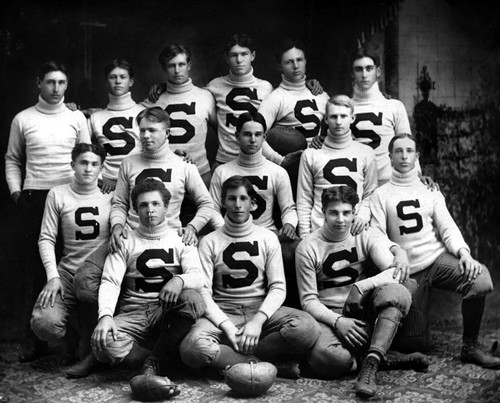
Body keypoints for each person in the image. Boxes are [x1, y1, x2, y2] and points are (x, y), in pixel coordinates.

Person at [370, 133, 500, 369]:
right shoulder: (380, 194)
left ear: (417, 156)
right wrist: (394, 260)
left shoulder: (429, 190)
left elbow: (447, 226)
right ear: (389, 157)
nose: (404, 156)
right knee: (416, 345)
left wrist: (464, 253)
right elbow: (376, 235)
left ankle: (470, 346)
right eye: (398, 151)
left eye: (409, 151)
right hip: (409, 272)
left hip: (436, 261)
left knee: (480, 279)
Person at [180, 176, 320, 377]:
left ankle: (232, 360)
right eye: (231, 199)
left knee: (308, 329)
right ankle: (272, 366)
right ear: (222, 203)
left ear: (253, 204)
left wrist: (257, 322)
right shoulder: (209, 241)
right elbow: (203, 292)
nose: (237, 205)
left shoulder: (267, 237)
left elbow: (278, 287)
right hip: (223, 309)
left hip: (258, 307)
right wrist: (227, 326)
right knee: (191, 349)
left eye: (243, 199)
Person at [295, 186, 426, 398]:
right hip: (328, 314)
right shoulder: (308, 247)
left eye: (347, 213)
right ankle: (386, 357)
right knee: (331, 359)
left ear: (354, 212)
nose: (341, 219)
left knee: (398, 292)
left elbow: (394, 272)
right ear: (322, 212)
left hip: (361, 307)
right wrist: (338, 321)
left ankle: (371, 365)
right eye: (334, 213)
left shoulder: (363, 233)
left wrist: (360, 287)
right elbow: (308, 300)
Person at [5, 60, 90, 361]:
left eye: (62, 83)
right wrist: (17, 192)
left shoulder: (76, 117)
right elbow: (13, 159)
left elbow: (86, 155)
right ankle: (36, 341)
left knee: (69, 266)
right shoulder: (23, 118)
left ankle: (74, 343)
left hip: (69, 196)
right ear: (39, 83)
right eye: (50, 82)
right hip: (34, 197)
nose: (56, 89)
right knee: (35, 269)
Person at [91, 179, 206, 399]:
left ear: (166, 207)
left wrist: (179, 280)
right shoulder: (125, 240)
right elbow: (111, 281)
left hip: (167, 312)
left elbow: (198, 276)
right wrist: (105, 316)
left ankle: (154, 361)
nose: (150, 210)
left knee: (192, 298)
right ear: (135, 209)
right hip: (133, 312)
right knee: (103, 343)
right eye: (143, 205)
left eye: (155, 204)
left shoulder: (181, 238)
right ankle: (162, 358)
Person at [30, 144, 111, 378]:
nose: (88, 169)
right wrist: (53, 276)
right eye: (83, 163)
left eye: (94, 164)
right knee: (45, 324)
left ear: (101, 168)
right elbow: (46, 238)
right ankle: (74, 336)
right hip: (67, 271)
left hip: (99, 274)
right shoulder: (58, 193)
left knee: (93, 351)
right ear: (72, 164)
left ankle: (84, 340)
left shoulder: (111, 194)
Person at [210, 112, 300, 306]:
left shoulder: (277, 172)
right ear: (236, 136)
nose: (252, 139)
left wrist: (289, 225)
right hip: (230, 233)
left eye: (257, 135)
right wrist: (224, 230)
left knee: (293, 251)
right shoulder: (223, 171)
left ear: (264, 137)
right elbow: (212, 209)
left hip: (268, 233)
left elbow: (288, 208)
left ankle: (287, 307)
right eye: (247, 134)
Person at [109, 106, 213, 252]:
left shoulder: (183, 165)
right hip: (130, 237)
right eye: (142, 130)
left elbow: (207, 204)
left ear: (167, 133)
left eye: (152, 130)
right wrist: (117, 226)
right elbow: (119, 204)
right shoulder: (128, 163)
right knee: (88, 274)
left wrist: (192, 227)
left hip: (170, 238)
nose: (145, 135)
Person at [297, 95, 377, 239]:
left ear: (352, 118)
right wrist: (304, 235)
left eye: (343, 116)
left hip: (354, 229)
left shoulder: (366, 153)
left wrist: (363, 215)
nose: (338, 122)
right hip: (319, 229)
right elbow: (304, 199)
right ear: (326, 119)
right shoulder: (311, 154)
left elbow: (370, 193)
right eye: (333, 116)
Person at [258, 39, 329, 195]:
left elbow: (338, 127)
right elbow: (255, 134)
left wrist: (324, 139)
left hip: (321, 167)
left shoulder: (321, 95)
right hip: (293, 173)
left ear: (305, 61)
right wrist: (280, 160)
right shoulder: (275, 98)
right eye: (289, 62)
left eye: (299, 60)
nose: (296, 66)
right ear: (280, 67)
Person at [142, 44, 216, 188]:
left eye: (181, 64)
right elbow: (128, 111)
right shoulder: (155, 99)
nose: (177, 71)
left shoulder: (206, 96)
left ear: (189, 65)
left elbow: (224, 133)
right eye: (171, 66)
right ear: (164, 68)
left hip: (201, 173)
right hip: (166, 175)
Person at [89, 59, 145, 193]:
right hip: (107, 184)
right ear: (106, 82)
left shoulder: (143, 112)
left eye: (123, 77)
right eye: (113, 77)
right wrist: (99, 176)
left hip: (139, 180)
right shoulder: (95, 117)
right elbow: (84, 151)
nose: (118, 81)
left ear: (131, 81)